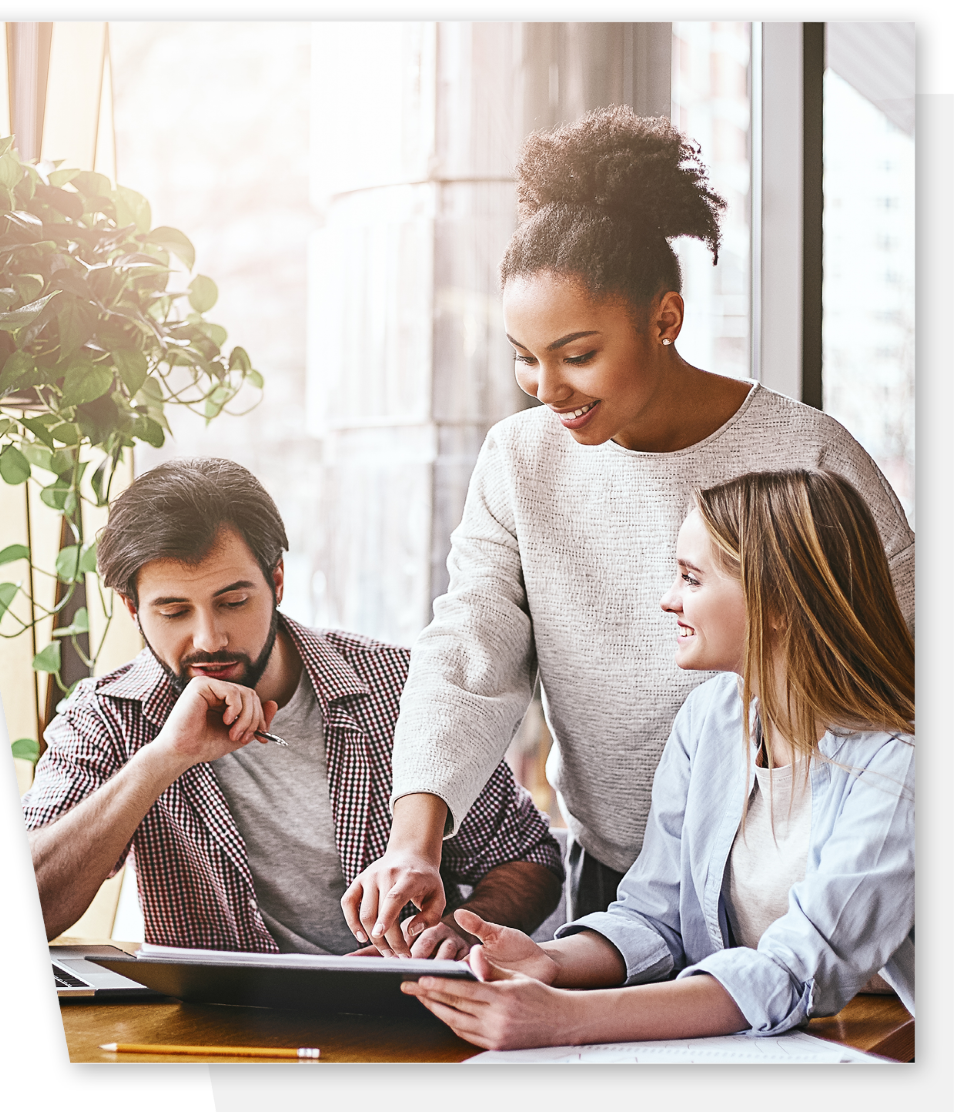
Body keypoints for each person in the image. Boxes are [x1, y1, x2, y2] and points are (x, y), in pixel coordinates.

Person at [341, 106, 915, 957]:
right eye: (524, 356)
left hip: (810, 876)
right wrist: (413, 841)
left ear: (666, 319)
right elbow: (470, 651)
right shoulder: (519, 460)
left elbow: (903, 663)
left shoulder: (808, 454)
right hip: (622, 887)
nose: (546, 386)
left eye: (576, 354)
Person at [401, 469, 914, 1047]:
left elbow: (795, 970)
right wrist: (549, 961)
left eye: (692, 579)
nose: (668, 599)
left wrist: (564, 1020)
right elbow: (654, 915)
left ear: (779, 603)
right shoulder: (711, 721)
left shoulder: (905, 764)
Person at [23, 458, 562, 957]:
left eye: (233, 602)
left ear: (277, 580)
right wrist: (163, 757)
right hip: (220, 1032)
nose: (208, 638)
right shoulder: (107, 716)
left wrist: (460, 931)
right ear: (131, 609)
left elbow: (529, 857)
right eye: (173, 611)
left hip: (399, 1016)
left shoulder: (404, 688)